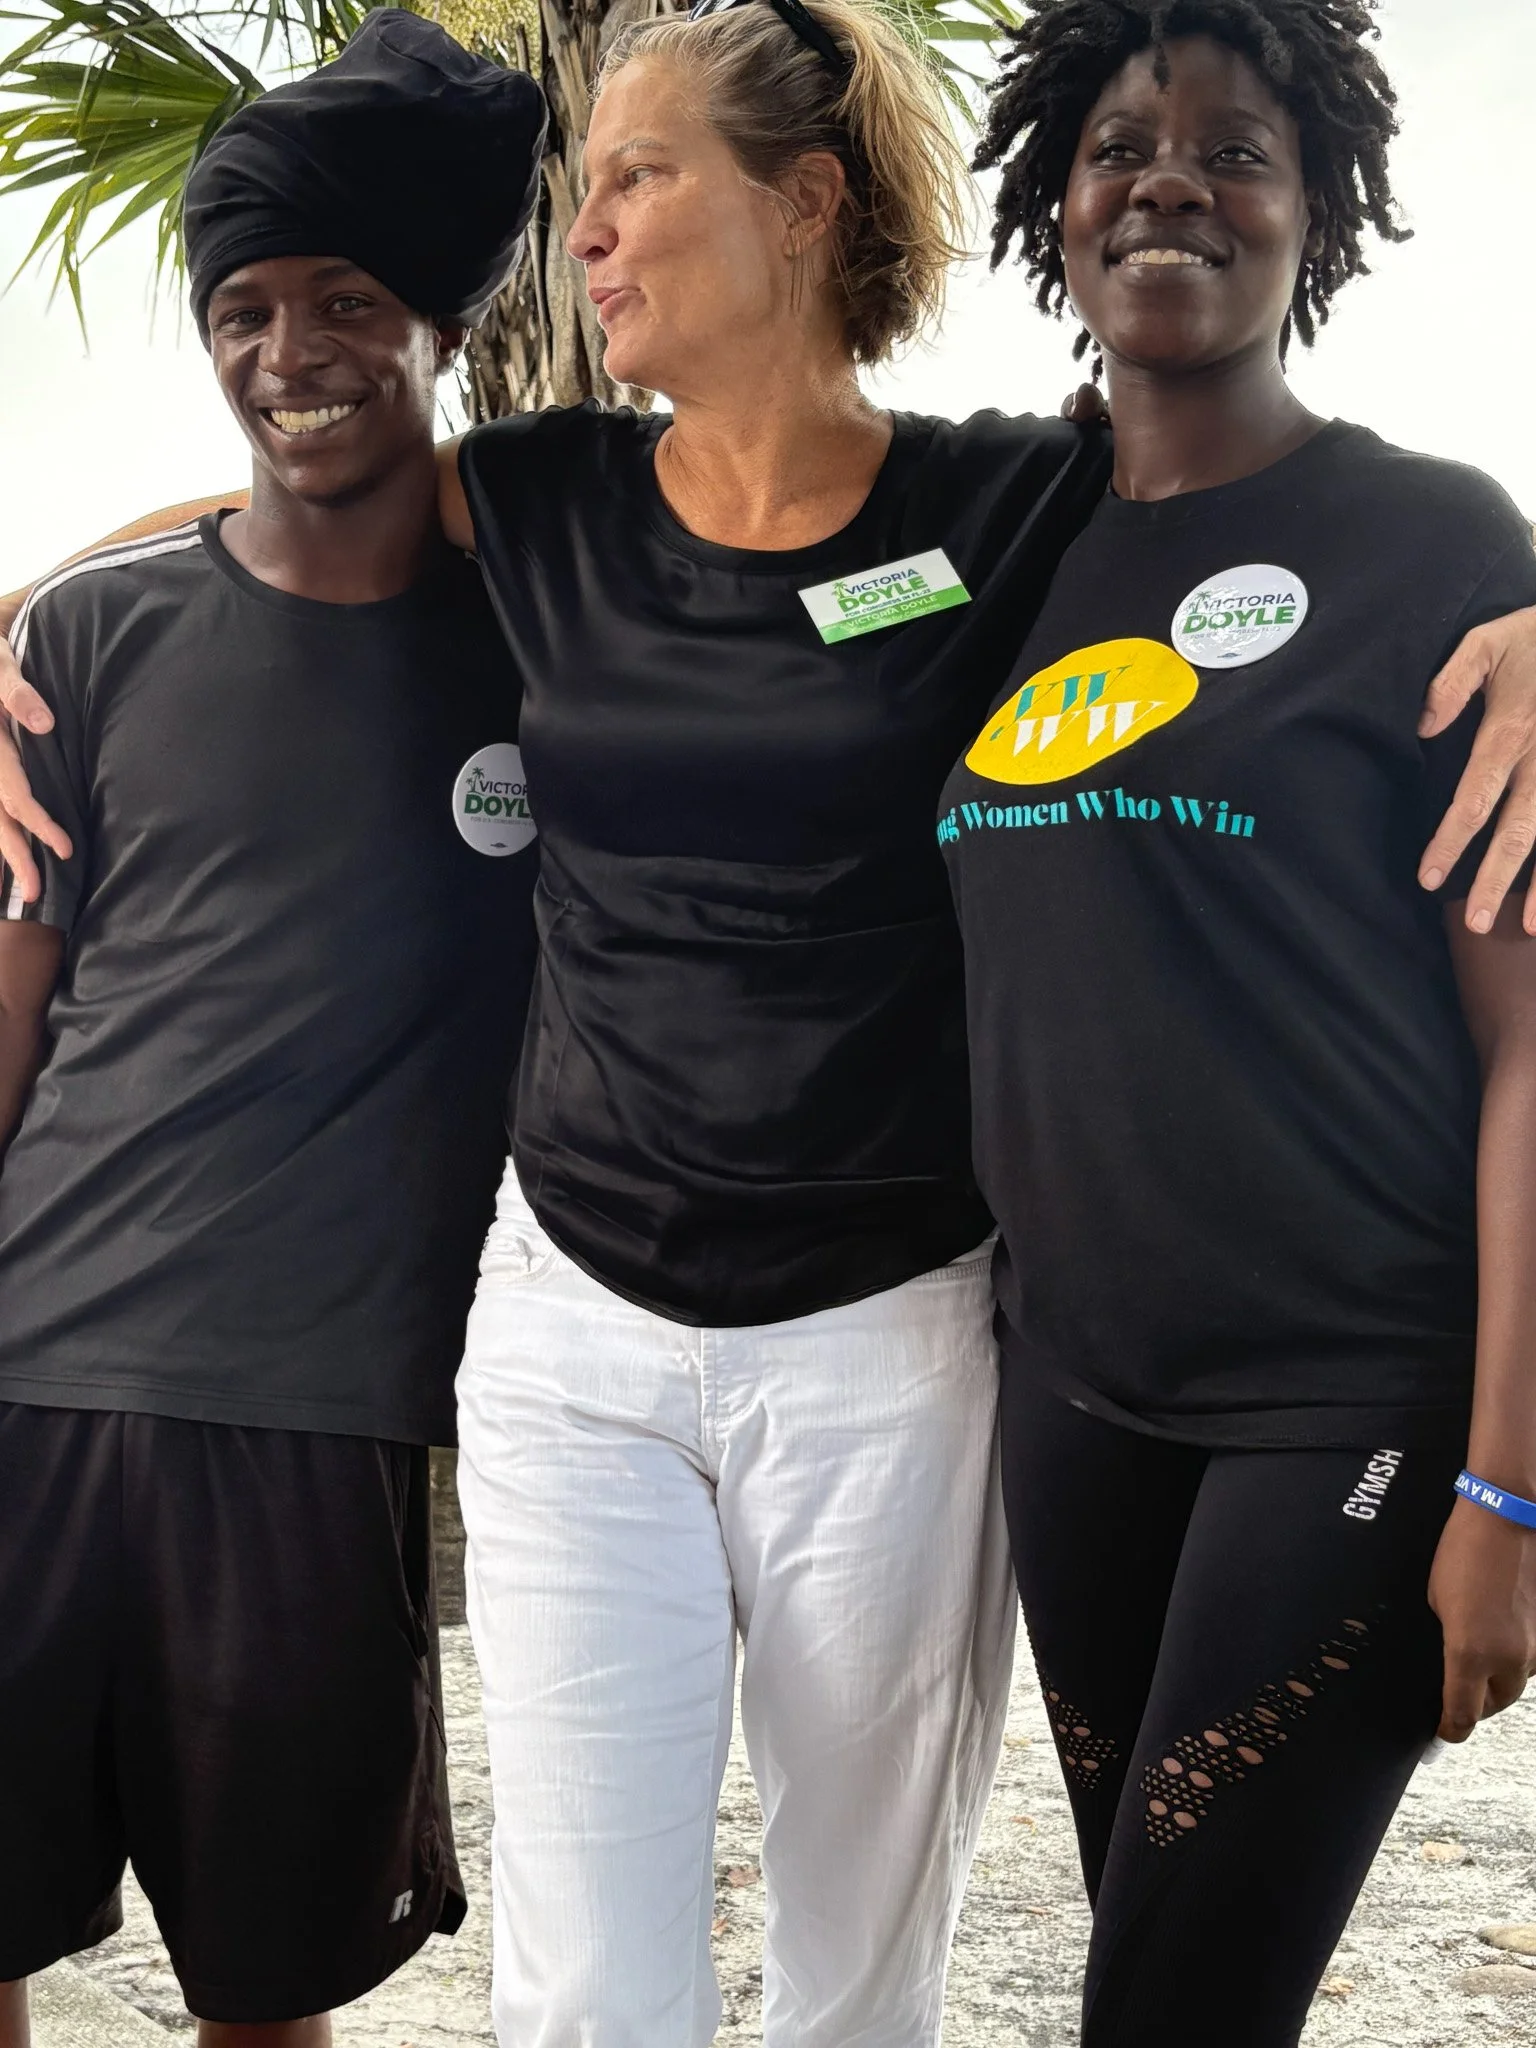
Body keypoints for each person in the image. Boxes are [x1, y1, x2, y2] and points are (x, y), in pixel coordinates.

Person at [2, 5, 1536, 2044]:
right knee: (589, 1984)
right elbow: (288, 511)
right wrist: (14, 621)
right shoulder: (540, 497)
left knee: (863, 1965)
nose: (593, 233)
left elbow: (1278, 513)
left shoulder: (1014, 508)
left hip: (891, 1332)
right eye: (581, 192)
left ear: (804, 204)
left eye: (636, 176)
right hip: (577, 1328)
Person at [939, 2, 1536, 2042]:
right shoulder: (996, 547)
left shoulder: (1441, 546)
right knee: (1161, 1962)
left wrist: (1512, 1485)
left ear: (1321, 213)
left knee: (1172, 2004)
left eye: (1236, 149)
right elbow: (564, 532)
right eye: (1117, 143)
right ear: (1054, 204)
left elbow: (1534, 1047)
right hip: (1077, 1395)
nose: (1169, 177)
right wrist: (64, 607)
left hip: (1349, 1397)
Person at [0, 16, 545, 2048]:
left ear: (441, 323)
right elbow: (11, 1013)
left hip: (322, 1429)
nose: (291, 349)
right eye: (242, 307)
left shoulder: (554, 644)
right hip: (30, 1385)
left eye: (348, 300)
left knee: (271, 1978)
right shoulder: (89, 638)